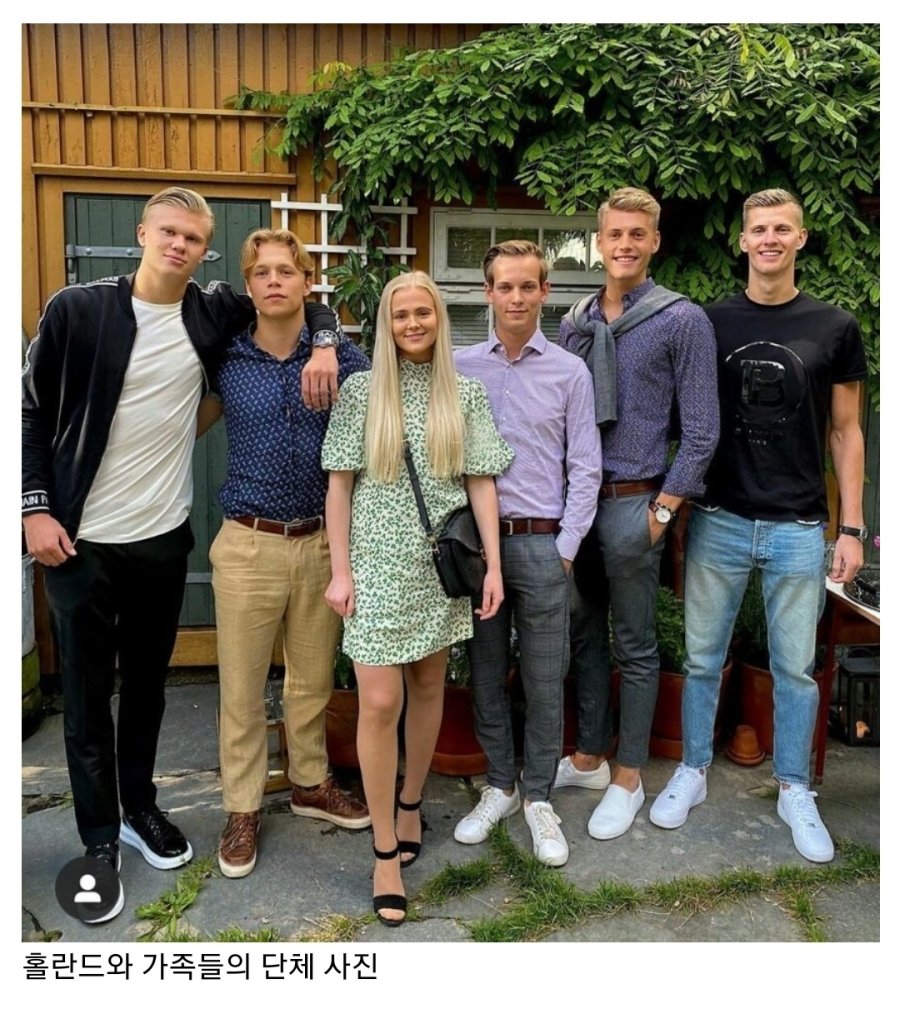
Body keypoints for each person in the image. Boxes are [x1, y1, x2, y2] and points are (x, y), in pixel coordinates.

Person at [21, 187, 341, 923]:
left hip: (162, 539)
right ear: (143, 233)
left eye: (193, 239)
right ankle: (98, 836)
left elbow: (298, 300)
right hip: (78, 540)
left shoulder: (209, 312)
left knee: (147, 689)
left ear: (204, 250)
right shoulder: (78, 309)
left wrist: (325, 340)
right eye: (168, 232)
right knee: (86, 699)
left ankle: (141, 809)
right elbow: (28, 410)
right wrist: (34, 507)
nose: (179, 246)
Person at [650, 188, 867, 863]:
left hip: (799, 526)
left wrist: (852, 528)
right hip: (718, 517)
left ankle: (794, 787)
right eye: (759, 229)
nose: (769, 239)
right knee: (702, 658)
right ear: (742, 240)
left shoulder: (835, 326)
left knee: (796, 669)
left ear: (800, 238)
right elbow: (683, 416)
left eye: (782, 229)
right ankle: (692, 768)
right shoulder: (708, 323)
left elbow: (847, 431)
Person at [322, 271, 512, 926]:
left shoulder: (464, 393)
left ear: (438, 318)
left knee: (429, 686)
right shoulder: (360, 392)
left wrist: (493, 567)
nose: (412, 323)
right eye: (400, 314)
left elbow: (481, 482)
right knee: (379, 701)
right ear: (387, 323)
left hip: (440, 568)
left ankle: (410, 802)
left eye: (422, 312)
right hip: (374, 567)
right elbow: (339, 487)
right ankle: (384, 851)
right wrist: (340, 571)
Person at [198, 229, 371, 880]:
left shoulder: (342, 356)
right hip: (248, 542)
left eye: (286, 271)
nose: (274, 281)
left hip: (323, 542)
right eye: (262, 272)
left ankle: (309, 781)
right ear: (249, 285)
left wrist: (325, 342)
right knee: (242, 688)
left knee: (312, 680)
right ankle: (242, 807)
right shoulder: (226, 356)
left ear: (306, 281)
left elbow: (385, 413)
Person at [558, 187, 718, 841]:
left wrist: (662, 512)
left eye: (636, 234)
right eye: (614, 234)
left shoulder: (681, 320)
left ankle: (629, 775)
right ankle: (590, 757)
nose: (624, 245)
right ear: (599, 242)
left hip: (635, 502)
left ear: (654, 241)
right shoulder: (573, 323)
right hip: (577, 506)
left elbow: (702, 430)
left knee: (636, 645)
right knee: (584, 636)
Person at [453, 240, 602, 867]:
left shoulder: (570, 372)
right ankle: (500, 786)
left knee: (545, 678)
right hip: (475, 548)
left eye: (527, 286)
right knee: (485, 670)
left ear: (545, 292)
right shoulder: (459, 368)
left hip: (544, 544)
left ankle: (539, 795)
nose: (515, 298)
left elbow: (586, 467)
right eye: (504, 287)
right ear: (488, 293)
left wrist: (565, 550)